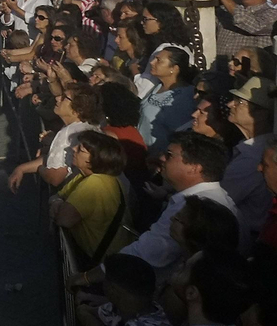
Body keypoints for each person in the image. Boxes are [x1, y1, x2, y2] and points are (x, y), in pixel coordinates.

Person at [119, 131, 236, 277]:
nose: (162, 158)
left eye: (169, 155)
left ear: (194, 168)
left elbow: (146, 253)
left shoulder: (190, 209)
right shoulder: (215, 197)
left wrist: (87, 277)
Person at [48, 131, 131, 276]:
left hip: (103, 266)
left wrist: (57, 204)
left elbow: (64, 219)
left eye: (80, 150)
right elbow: (57, 196)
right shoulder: (86, 176)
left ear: (94, 160)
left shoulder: (94, 184)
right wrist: (57, 201)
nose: (73, 149)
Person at [222, 76, 274, 250]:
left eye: (239, 102)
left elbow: (217, 200)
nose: (230, 105)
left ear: (261, 113)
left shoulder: (252, 158)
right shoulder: (256, 149)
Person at [137, 48, 198, 152]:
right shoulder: (157, 87)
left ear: (174, 69)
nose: (152, 62)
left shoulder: (185, 97)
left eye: (158, 60)